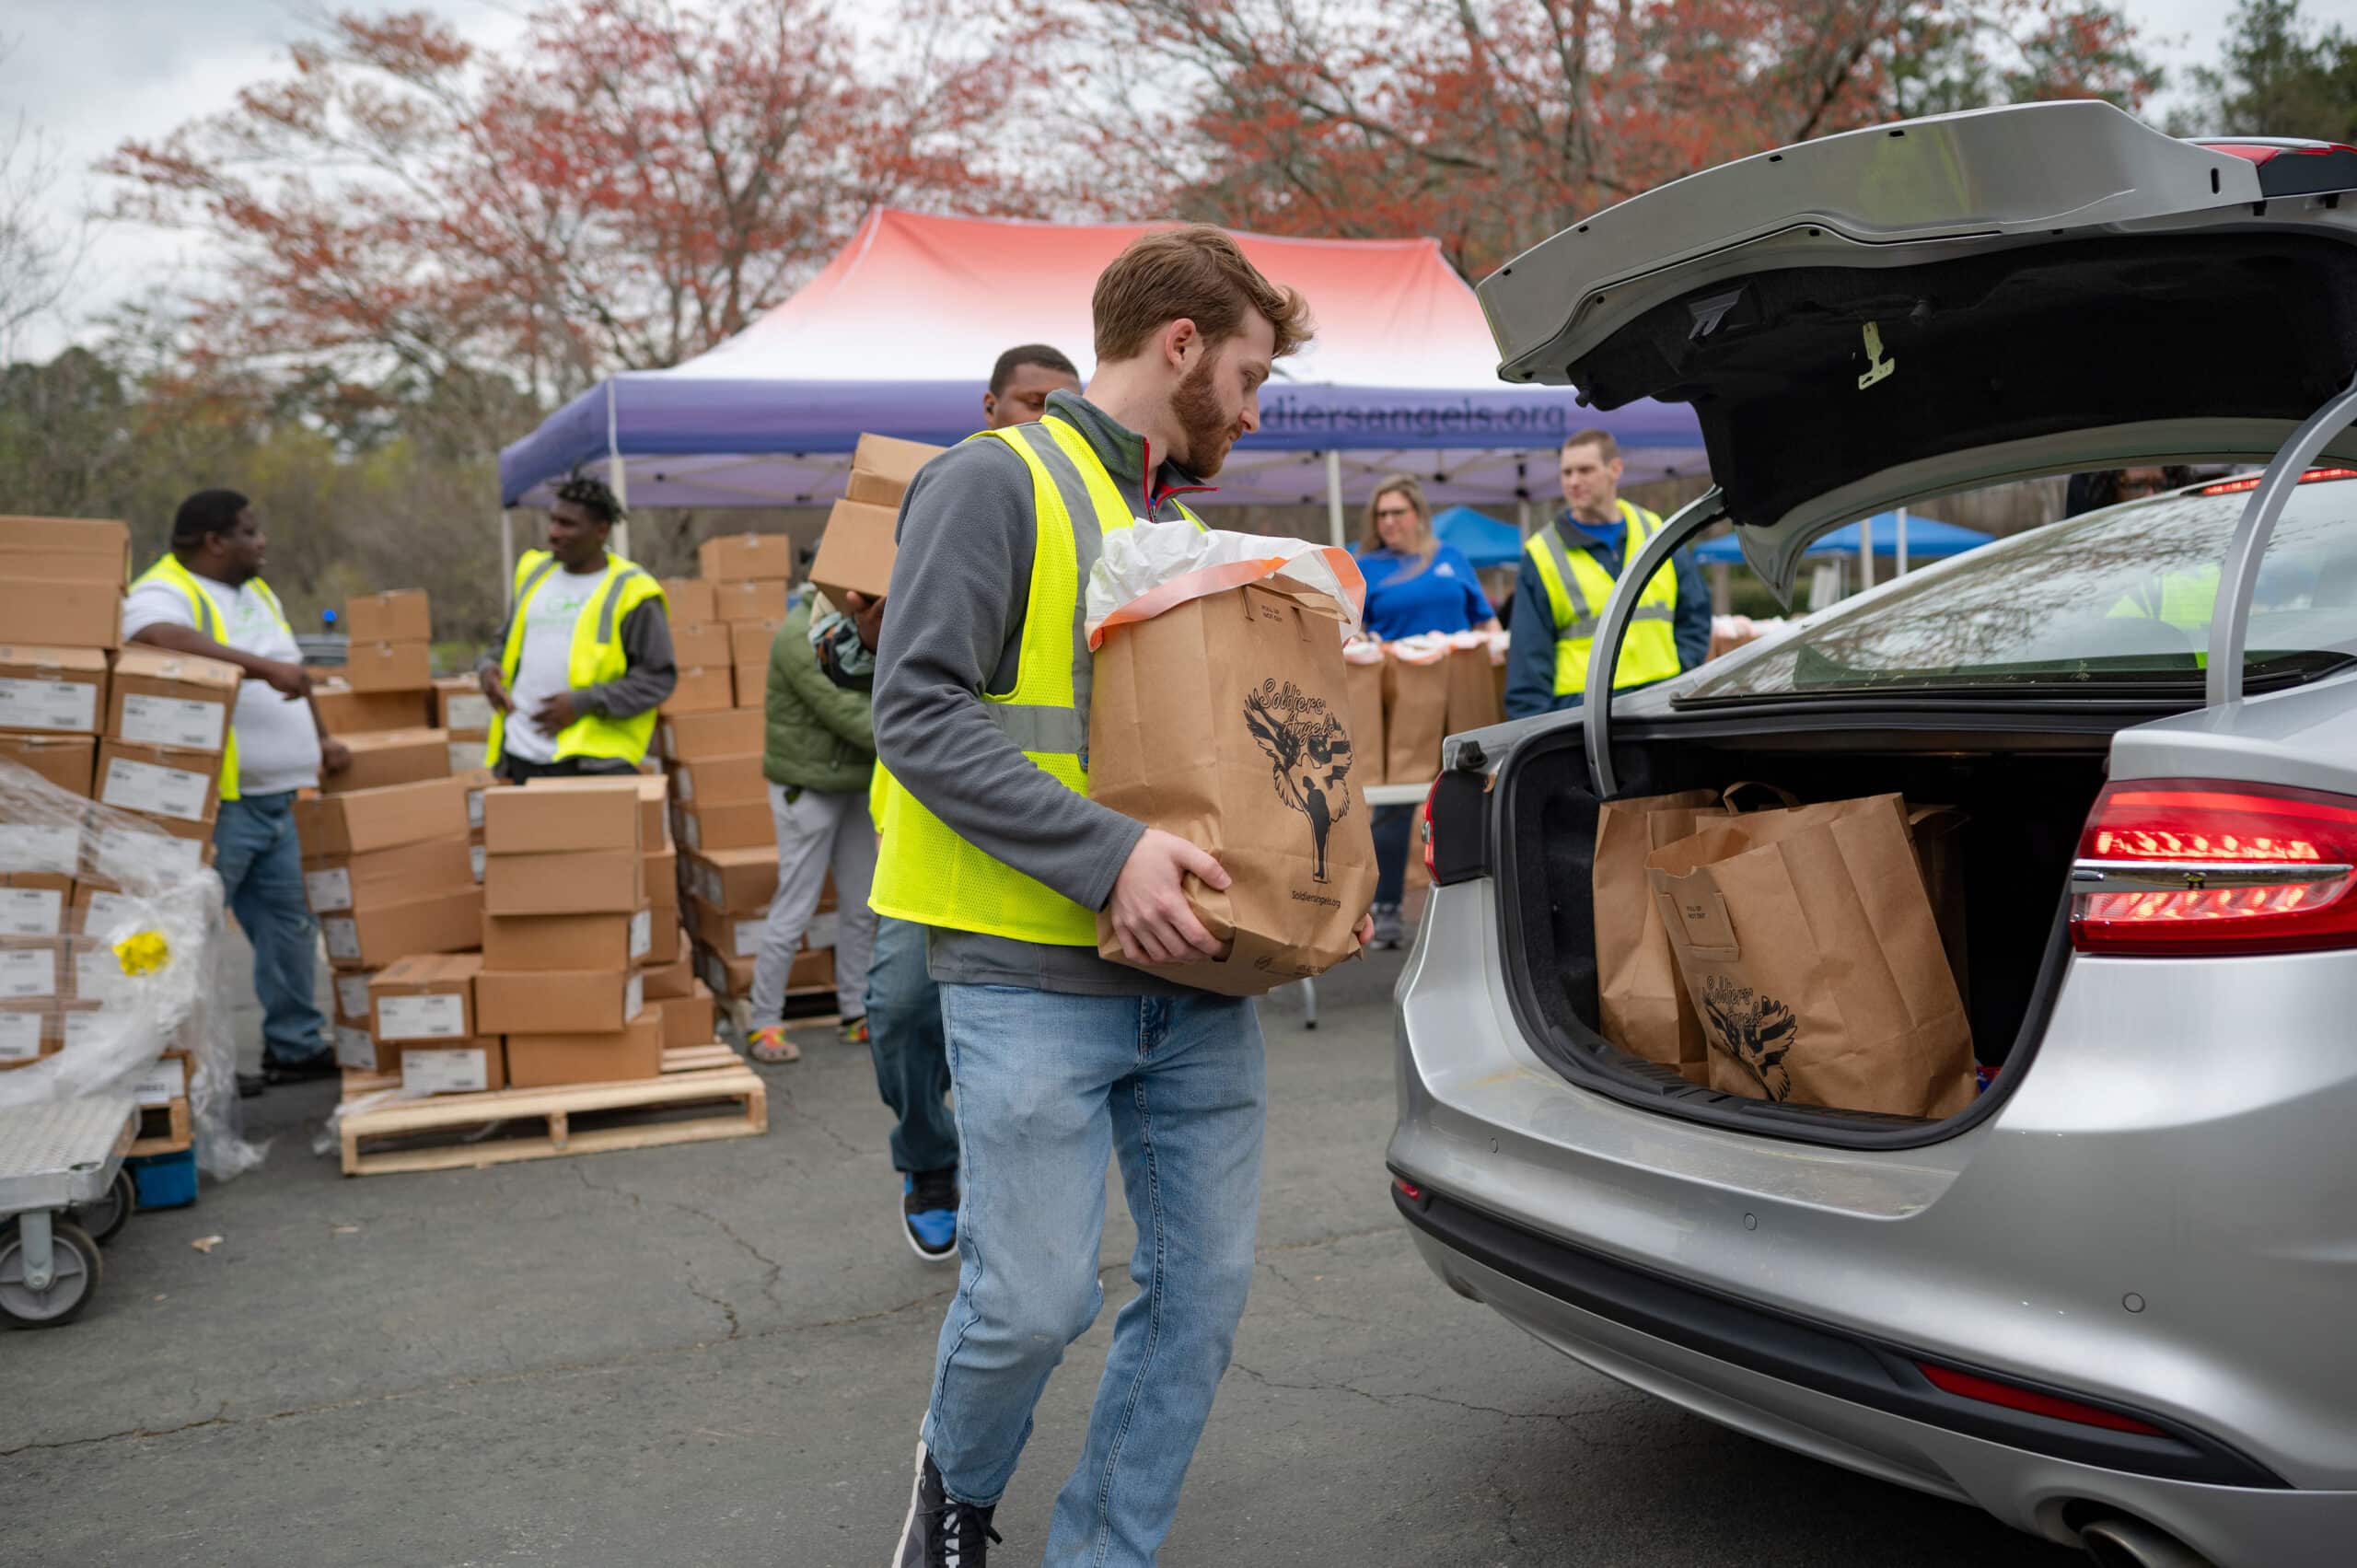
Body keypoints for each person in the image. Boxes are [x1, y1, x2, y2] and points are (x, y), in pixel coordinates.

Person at [871, 226, 1364, 1567]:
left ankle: (1104, 1547)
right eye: (1250, 377)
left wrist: (1312, 888)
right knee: (1032, 1303)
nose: (1256, 412)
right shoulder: (994, 479)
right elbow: (914, 711)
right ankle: (955, 1490)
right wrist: (1109, 857)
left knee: (1200, 1298)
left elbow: (1222, 776)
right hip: (1028, 974)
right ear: (1182, 344)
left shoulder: (1179, 534)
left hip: (1197, 987)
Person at [830, 343, 1086, 1260]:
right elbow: (829, 644)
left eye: (1065, 404)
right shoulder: (933, 497)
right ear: (989, 405)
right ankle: (927, 1161)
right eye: (1029, 402)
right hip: (928, 822)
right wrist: (868, 630)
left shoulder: (1087, 510)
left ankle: (1016, 1198)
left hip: (1044, 825)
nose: (1046, 418)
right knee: (899, 1013)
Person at [123, 490, 351, 1092]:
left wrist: (322, 739)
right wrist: (257, 666)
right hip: (219, 808)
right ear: (214, 540)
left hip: (280, 799)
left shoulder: (256, 592)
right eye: (250, 532)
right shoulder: (165, 587)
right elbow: (153, 637)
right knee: (181, 933)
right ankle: (180, 1062)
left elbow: (292, 669)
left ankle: (294, 1046)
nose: (262, 541)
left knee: (288, 927)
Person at [1351, 474, 1498, 948]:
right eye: (1382, 514)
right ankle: (1388, 908)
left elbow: (1484, 619)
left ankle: (1470, 907)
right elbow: (1351, 630)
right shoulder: (1364, 566)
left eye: (1398, 512)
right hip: (1400, 698)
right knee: (1395, 805)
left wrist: (1497, 644)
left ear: (1418, 514)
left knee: (1465, 796)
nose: (1389, 521)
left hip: (1458, 694)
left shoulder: (1450, 559)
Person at [741, 591, 882, 1067]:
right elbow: (842, 708)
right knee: (795, 906)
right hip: (807, 788)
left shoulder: (854, 624)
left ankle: (854, 1012)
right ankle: (763, 1022)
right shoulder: (797, 634)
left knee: (862, 905)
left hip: (854, 783)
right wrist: (918, 728)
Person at [477, 476, 677, 781]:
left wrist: (583, 703)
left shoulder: (634, 592)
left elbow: (657, 678)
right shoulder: (533, 574)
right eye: (553, 521)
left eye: (567, 524)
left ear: (601, 531)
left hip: (593, 763)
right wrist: (488, 667)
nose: (553, 534)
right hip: (521, 754)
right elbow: (505, 641)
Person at [1503, 429, 1710, 719]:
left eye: (1585, 470)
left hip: (1663, 703)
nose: (1574, 482)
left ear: (1615, 469)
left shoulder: (1657, 532)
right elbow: (1528, 657)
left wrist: (1679, 674)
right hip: (1583, 713)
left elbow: (1695, 614)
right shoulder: (1541, 554)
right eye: (1567, 473)